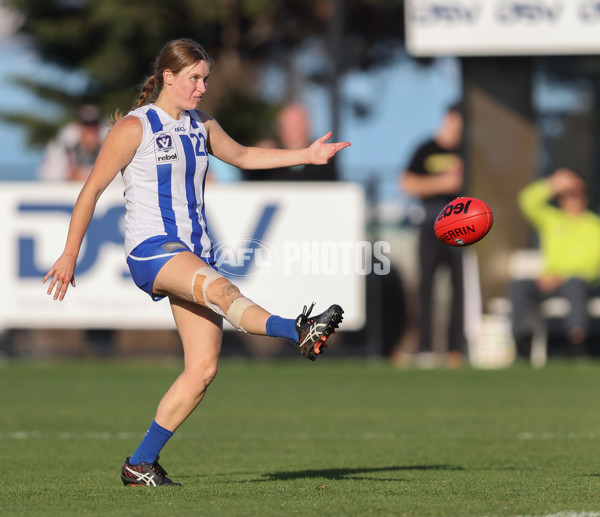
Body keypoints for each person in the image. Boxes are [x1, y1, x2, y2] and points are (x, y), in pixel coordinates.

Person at [42, 38, 349, 487]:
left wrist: (306, 154)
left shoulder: (201, 126)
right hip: (151, 249)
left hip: (194, 252)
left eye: (205, 79)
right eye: (195, 78)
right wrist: (70, 253)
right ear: (168, 76)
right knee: (224, 291)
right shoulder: (134, 128)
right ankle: (298, 330)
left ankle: (139, 464)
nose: (202, 87)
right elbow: (90, 191)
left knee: (202, 370)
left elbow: (243, 155)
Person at [399, 104, 466, 367]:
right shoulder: (426, 148)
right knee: (425, 285)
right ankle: (425, 346)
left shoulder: (468, 150)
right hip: (430, 226)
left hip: (463, 229)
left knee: (459, 287)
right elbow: (407, 183)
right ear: (447, 119)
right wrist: (442, 183)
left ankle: (455, 349)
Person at [510, 168, 600, 356]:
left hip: (578, 280)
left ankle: (576, 345)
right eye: (567, 196)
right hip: (548, 280)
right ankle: (520, 341)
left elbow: (593, 263)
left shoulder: (594, 225)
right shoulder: (552, 219)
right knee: (519, 286)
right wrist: (554, 184)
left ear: (584, 199)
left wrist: (563, 275)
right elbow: (527, 200)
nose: (572, 200)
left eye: (576, 195)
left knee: (575, 284)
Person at [242, 102, 339, 181]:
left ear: (308, 125)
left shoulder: (324, 160)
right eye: (287, 122)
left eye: (296, 122)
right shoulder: (269, 156)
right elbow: (249, 181)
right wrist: (259, 156)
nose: (291, 127)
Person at [39, 104, 107, 181]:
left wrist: (84, 174)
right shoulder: (63, 142)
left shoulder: (108, 141)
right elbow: (46, 174)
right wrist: (69, 174)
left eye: (94, 127)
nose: (91, 134)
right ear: (79, 126)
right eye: (87, 127)